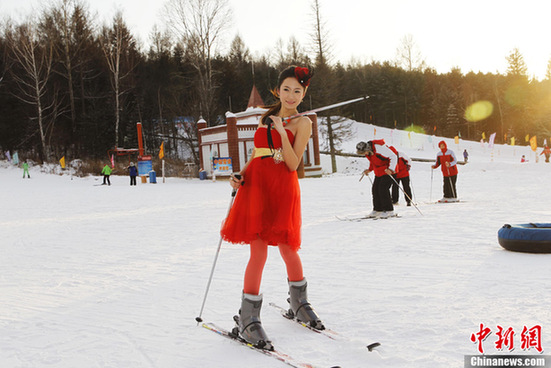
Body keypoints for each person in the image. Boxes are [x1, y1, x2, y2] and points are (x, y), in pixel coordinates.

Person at [220, 66, 323, 351]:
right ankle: (248, 318)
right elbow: (257, 153)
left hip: (282, 187)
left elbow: (292, 163)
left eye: (298, 91)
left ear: (304, 94)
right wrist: (240, 173)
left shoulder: (303, 123)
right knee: (259, 251)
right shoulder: (266, 117)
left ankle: (299, 303)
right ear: (278, 90)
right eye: (286, 89)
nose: (291, 96)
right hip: (256, 186)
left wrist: (281, 129)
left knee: (288, 248)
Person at [356, 139, 398, 218]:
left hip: (388, 171)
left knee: (383, 189)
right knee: (375, 189)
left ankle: (389, 210)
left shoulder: (379, 148)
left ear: (367, 149)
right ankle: (378, 209)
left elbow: (393, 156)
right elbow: (374, 161)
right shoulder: (369, 153)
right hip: (379, 172)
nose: (364, 154)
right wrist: (369, 169)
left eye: (363, 152)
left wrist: (391, 169)